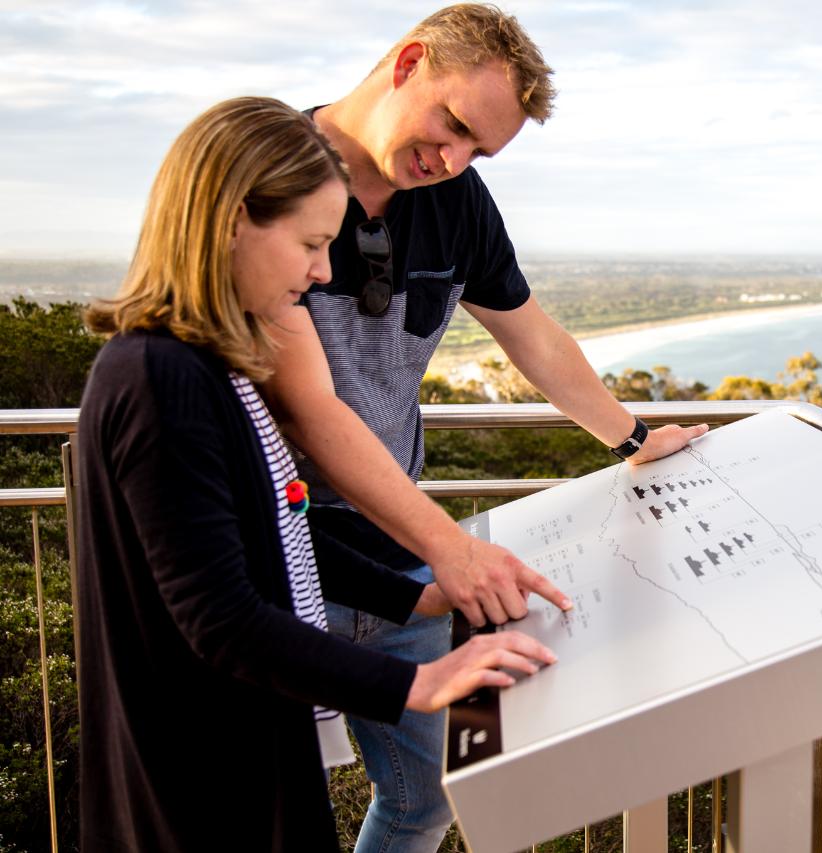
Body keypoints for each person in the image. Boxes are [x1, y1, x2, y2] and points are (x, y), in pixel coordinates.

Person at [259, 4, 708, 850]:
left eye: (478, 150)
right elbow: (309, 412)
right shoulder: (271, 167)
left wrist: (632, 438)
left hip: (405, 559)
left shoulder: (458, 200)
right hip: (286, 558)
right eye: (453, 124)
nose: (452, 159)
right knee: (278, 812)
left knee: (428, 799)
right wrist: (455, 552)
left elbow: (531, 334)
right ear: (409, 63)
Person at [74, 96, 555, 853]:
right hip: (196, 780)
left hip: (239, 747)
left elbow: (273, 529)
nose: (324, 269)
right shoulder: (158, 379)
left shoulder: (204, 367)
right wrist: (417, 685)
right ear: (233, 218)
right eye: (309, 242)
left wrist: (417, 593)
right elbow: (221, 616)